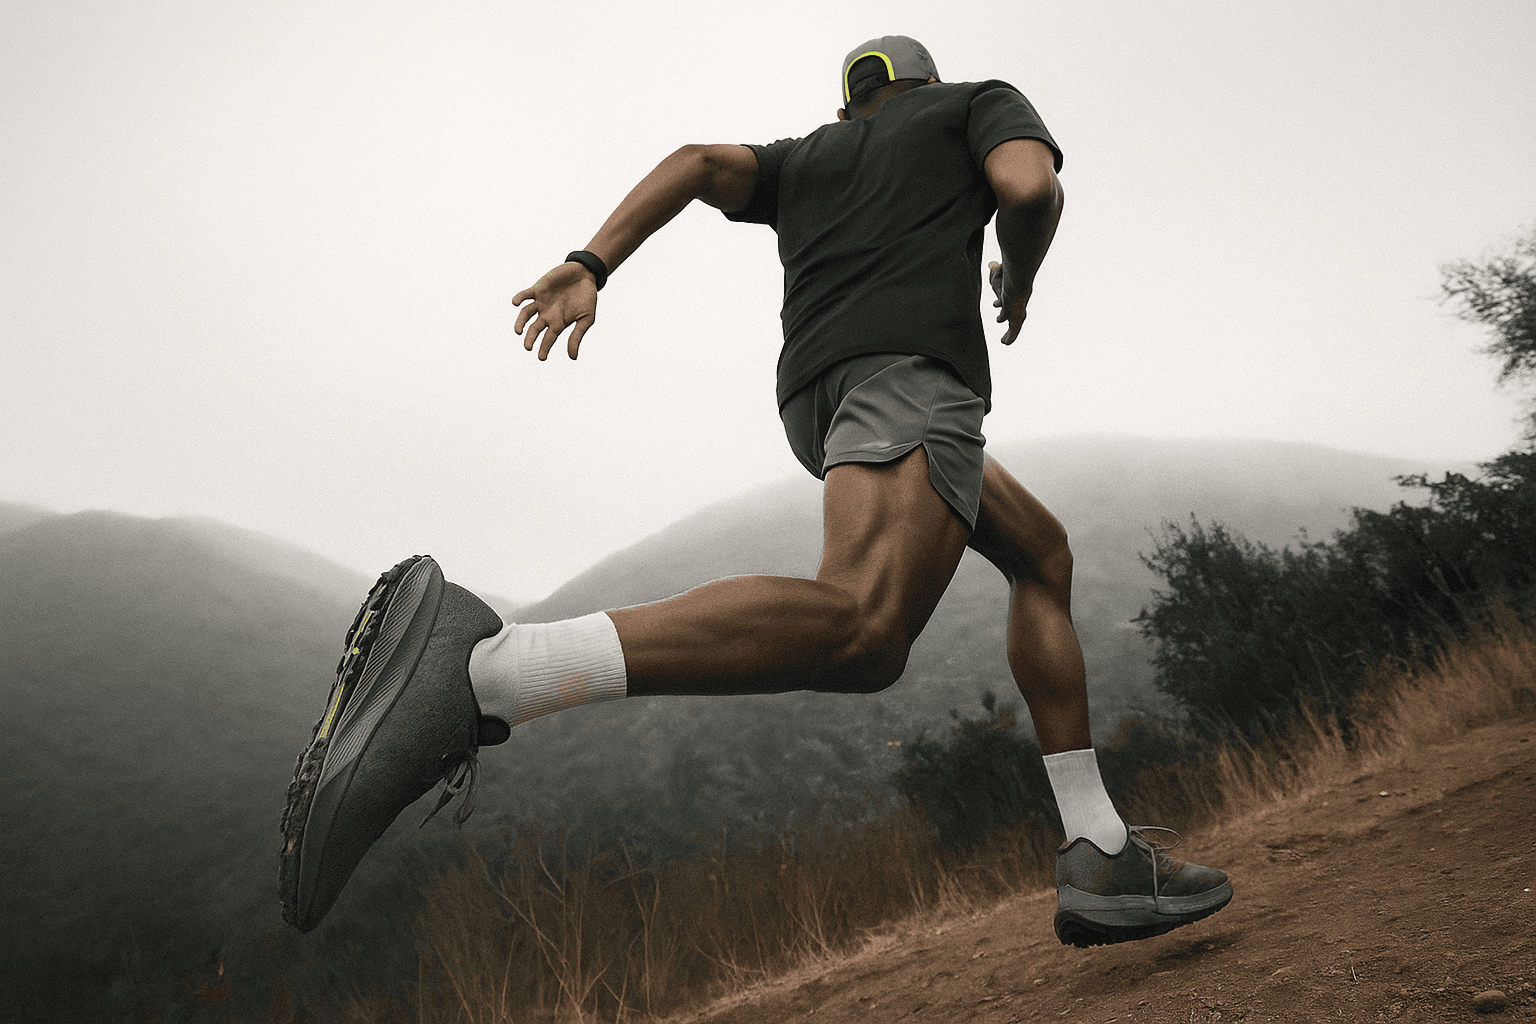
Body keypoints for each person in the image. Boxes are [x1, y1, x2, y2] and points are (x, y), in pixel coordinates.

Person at [280, 35, 1232, 947]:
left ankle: (1099, 845)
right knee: (866, 628)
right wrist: (1016, 280)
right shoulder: (975, 104)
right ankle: (492, 672)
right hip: (911, 375)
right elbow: (1028, 186)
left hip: (821, 399)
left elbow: (697, 162)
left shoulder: (808, 156)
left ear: (850, 106)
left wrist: (592, 262)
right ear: (927, 85)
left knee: (1041, 553)